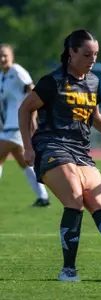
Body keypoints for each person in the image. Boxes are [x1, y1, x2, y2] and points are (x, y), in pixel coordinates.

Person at [18, 29, 101, 282]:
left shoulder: (93, 82)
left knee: (100, 205)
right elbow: (25, 109)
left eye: (96, 54)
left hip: (81, 151)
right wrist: (28, 147)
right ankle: (68, 271)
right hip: (51, 146)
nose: (92, 59)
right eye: (87, 54)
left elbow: (95, 116)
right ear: (71, 52)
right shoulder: (52, 82)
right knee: (75, 198)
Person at [0, 44, 50, 206]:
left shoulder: (17, 71)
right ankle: (43, 197)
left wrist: (32, 117)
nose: (2, 59)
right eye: (0, 56)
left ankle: (44, 197)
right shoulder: (2, 76)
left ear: (12, 56)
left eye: (5, 55)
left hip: (17, 125)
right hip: (8, 125)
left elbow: (33, 91)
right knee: (25, 163)